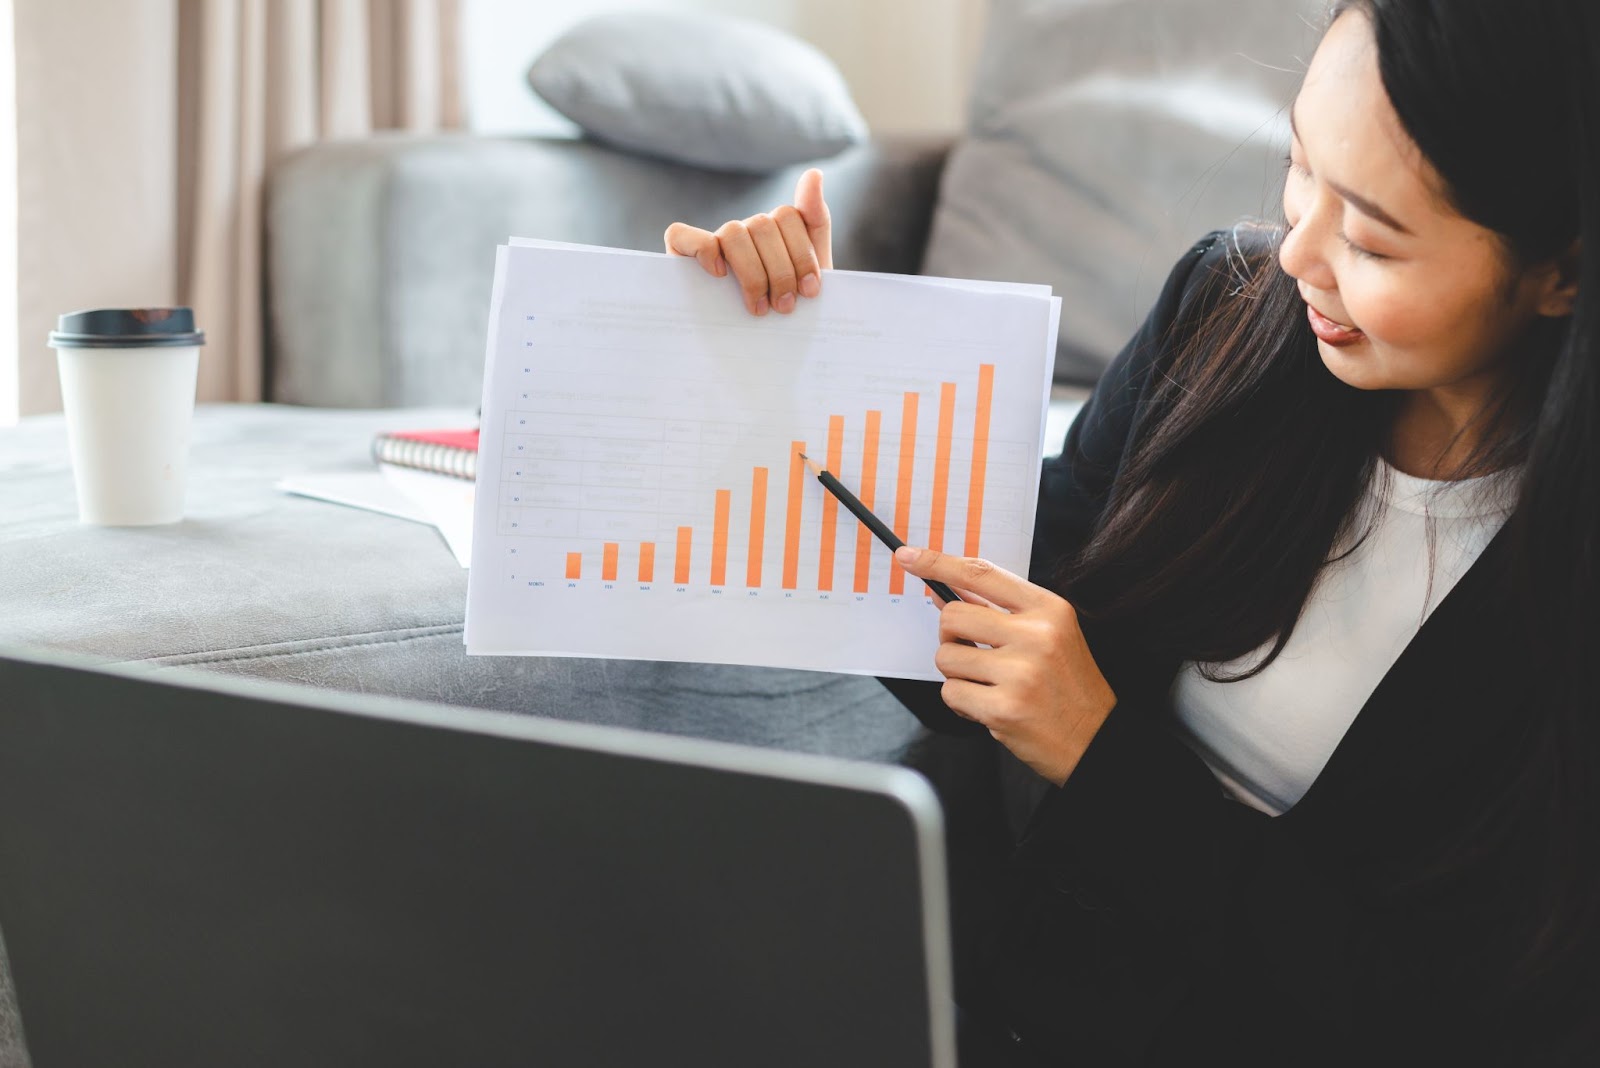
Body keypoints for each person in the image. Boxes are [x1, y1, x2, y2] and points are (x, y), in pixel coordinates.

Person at [665, 0, 1597, 1062]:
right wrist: (819, 361)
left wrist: (1099, 755)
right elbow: (990, 637)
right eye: (1299, 169)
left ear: (1562, 270)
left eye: (1373, 240)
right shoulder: (1225, 314)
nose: (1297, 254)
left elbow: (1433, 1011)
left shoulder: (1559, 581)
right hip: (990, 990)